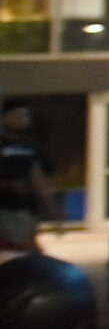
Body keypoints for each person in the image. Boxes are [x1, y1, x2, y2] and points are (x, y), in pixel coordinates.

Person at [0, 104, 53, 250]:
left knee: (24, 245)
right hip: (6, 206)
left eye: (26, 116)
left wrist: (52, 206)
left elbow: (37, 176)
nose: (23, 120)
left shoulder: (28, 146)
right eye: (18, 115)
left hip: (25, 206)